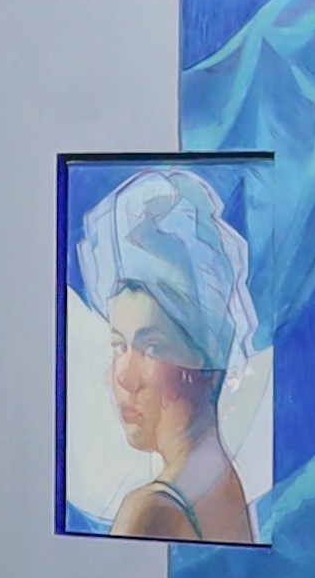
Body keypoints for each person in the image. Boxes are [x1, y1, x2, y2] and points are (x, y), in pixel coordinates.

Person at [76, 164, 263, 546]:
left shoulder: (149, 512)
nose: (123, 377)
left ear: (206, 357)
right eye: (118, 346)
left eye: (152, 347)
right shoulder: (221, 481)